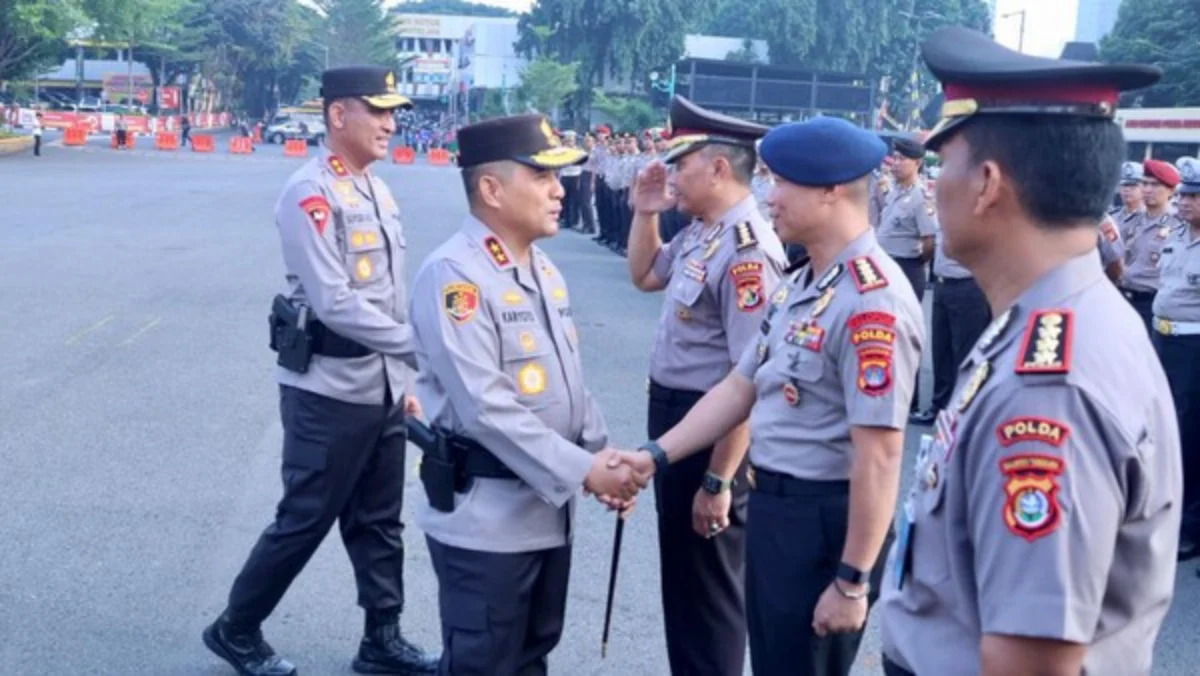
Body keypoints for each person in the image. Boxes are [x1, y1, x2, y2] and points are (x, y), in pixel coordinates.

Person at [878, 26, 1181, 676]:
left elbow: (1031, 660)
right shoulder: (1049, 317)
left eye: (942, 164)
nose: (935, 186)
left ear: (987, 184)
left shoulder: (1050, 381)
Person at [616, 115, 922, 675]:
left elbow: (880, 455)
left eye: (782, 183)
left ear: (830, 191)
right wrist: (654, 456)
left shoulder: (871, 302)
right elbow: (739, 386)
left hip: (822, 520)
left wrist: (853, 581)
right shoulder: (807, 284)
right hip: (779, 508)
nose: (768, 196)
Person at [203, 66, 438, 676]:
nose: (391, 123)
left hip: (382, 386)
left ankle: (381, 638)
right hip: (327, 388)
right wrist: (423, 348)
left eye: (394, 112)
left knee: (380, 520)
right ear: (339, 115)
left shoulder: (375, 189)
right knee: (306, 516)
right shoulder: (309, 192)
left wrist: (405, 381)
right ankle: (236, 628)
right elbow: (334, 300)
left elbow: (387, 295)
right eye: (378, 110)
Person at [408, 113, 643, 675]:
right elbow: (485, 408)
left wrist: (601, 456)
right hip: (486, 521)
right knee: (484, 665)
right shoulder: (455, 277)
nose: (560, 190)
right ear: (491, 188)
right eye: (541, 176)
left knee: (531, 659)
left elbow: (569, 381)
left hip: (544, 512)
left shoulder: (542, 269)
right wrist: (587, 471)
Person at [626, 95, 786, 676]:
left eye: (681, 165)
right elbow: (645, 274)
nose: (672, 177)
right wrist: (646, 213)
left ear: (719, 168)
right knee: (685, 584)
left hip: (712, 435)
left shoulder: (748, 252)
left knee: (710, 597)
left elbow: (750, 379)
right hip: (677, 423)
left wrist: (719, 478)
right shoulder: (702, 232)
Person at [1153, 156, 1200, 562]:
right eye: (1183, 194)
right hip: (1164, 341)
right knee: (1162, 431)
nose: (1184, 201)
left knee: (1189, 437)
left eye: (1194, 196)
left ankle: (1189, 527)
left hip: (1194, 349)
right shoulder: (1176, 234)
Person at [1121, 159, 1183, 334]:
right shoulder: (1130, 221)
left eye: (1155, 185)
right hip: (1124, 298)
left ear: (1171, 190)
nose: (1147, 189)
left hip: (1153, 304)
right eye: (1145, 184)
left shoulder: (1179, 224)